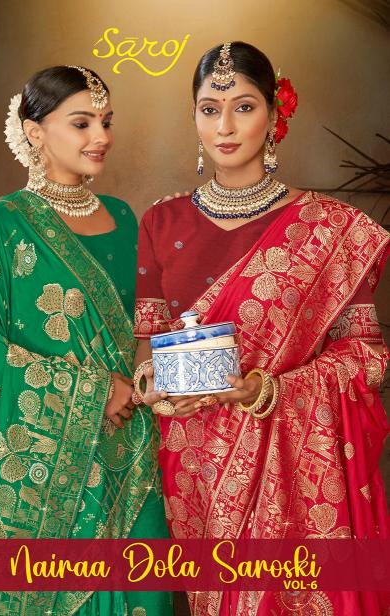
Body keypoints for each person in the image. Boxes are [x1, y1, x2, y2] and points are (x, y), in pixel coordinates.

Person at [133, 42, 390, 615]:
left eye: (243, 107)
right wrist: (153, 386)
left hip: (293, 465)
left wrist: (268, 389)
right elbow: (146, 349)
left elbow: (366, 357)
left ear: (274, 115)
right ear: (194, 116)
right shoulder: (160, 221)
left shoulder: (330, 228)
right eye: (209, 109)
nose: (224, 126)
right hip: (195, 464)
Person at [0, 65, 173, 615]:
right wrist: (92, 390)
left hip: (132, 457)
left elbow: (149, 326)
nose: (101, 137)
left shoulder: (125, 220)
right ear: (35, 131)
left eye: (106, 121)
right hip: (43, 465)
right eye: (81, 123)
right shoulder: (2, 226)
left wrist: (145, 378)